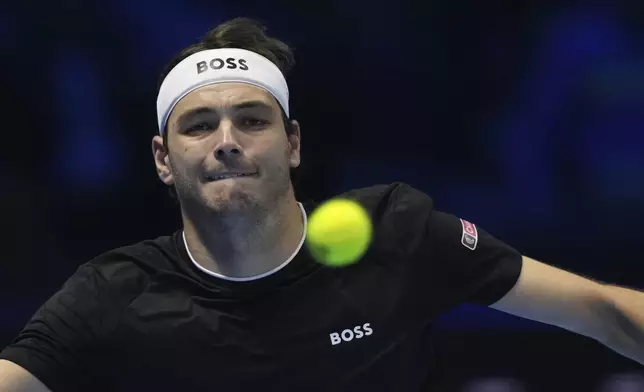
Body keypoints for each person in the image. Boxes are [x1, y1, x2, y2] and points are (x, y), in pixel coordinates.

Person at [0, 17, 642, 392]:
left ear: (294, 143)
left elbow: (603, 310)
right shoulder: (112, 293)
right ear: (163, 159)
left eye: (251, 120)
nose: (226, 143)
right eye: (198, 126)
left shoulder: (395, 233)